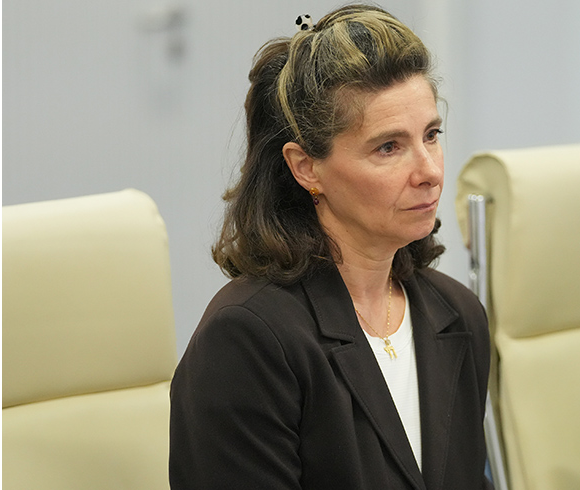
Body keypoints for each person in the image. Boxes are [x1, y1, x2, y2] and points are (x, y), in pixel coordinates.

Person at [169, 4, 493, 489]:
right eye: (388, 147)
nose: (429, 171)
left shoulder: (457, 314)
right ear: (306, 168)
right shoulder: (247, 339)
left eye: (431, 135)